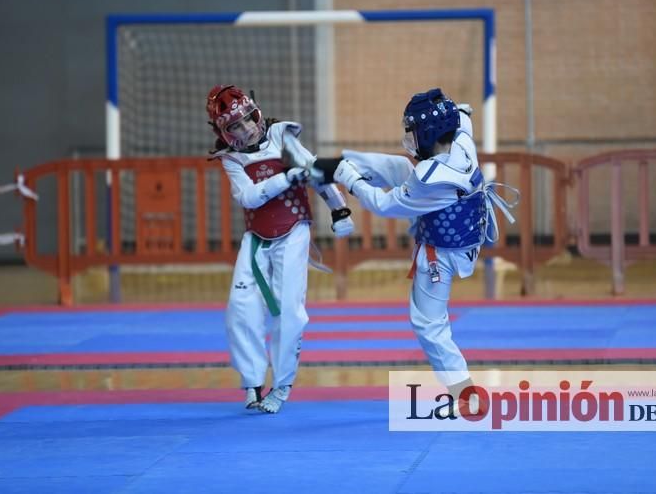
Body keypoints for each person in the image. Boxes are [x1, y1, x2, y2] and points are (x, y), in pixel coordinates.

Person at [287, 88, 515, 396]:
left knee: (428, 324)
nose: (410, 138)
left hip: (442, 256)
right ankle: (333, 164)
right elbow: (462, 117)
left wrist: (351, 181)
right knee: (393, 166)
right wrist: (344, 168)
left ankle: (464, 393)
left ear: (430, 132)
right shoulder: (460, 140)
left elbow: (383, 205)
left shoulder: (429, 180)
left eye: (414, 131)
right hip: (459, 234)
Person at [206, 84, 354, 413]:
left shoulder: (281, 136)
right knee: (239, 309)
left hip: (294, 230)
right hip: (256, 235)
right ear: (224, 133)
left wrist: (339, 208)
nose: (246, 128)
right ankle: (252, 380)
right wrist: (287, 179)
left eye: (248, 119)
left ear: (257, 112)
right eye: (235, 126)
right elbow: (248, 197)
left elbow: (314, 171)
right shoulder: (230, 158)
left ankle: (283, 383)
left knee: (289, 309)